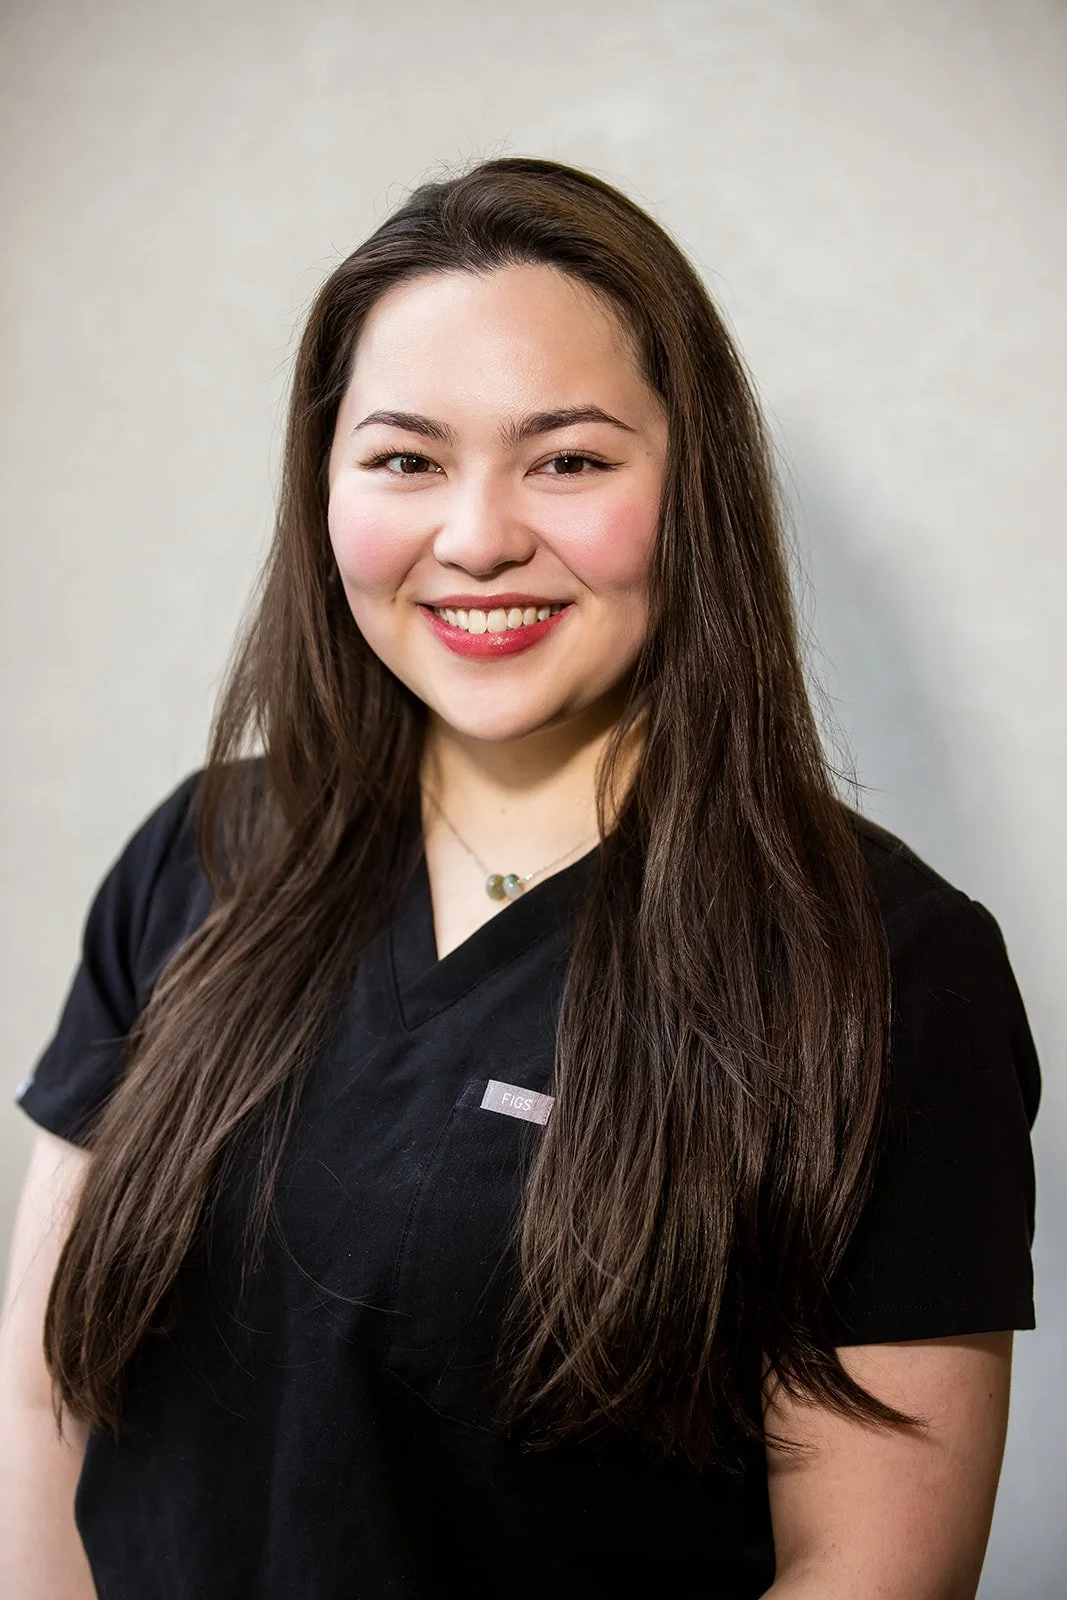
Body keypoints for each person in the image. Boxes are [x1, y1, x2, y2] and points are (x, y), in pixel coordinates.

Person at [0, 158, 1040, 1600]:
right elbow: (48, 1403)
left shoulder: (886, 967)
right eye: (405, 460)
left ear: (691, 487)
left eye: (568, 460)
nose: (479, 536)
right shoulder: (200, 855)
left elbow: (866, 1572)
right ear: (323, 489)